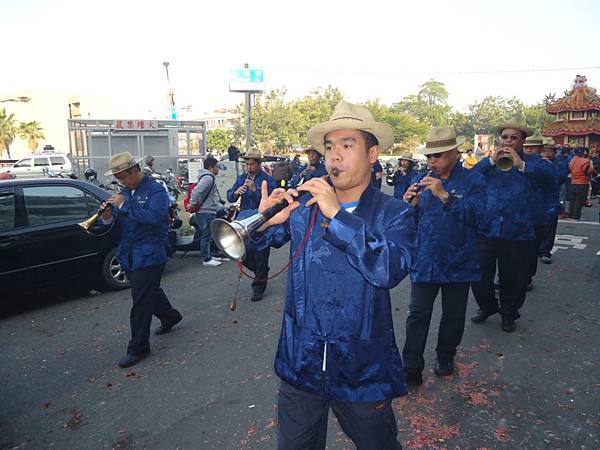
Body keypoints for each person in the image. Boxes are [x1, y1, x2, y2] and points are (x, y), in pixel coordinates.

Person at [244, 101, 414, 449]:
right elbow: (253, 251)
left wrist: (337, 215)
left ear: (372, 153)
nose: (334, 156)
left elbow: (389, 269)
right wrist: (260, 223)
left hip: (362, 368)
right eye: (329, 147)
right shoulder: (304, 209)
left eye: (347, 146)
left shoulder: (395, 213)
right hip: (300, 363)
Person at [401, 127, 485, 385]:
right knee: (417, 314)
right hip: (426, 259)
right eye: (429, 156)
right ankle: (411, 366)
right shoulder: (420, 179)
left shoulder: (474, 180)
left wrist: (444, 195)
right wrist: (408, 206)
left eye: (437, 156)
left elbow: (476, 216)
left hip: (459, 260)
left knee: (453, 314)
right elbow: (410, 222)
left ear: (455, 153)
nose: (431, 161)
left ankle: (445, 356)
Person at [470, 116, 557, 332]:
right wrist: (490, 162)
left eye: (513, 138)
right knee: (478, 275)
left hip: (518, 232)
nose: (508, 141)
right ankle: (488, 306)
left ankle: (508, 313)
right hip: (486, 229)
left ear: (522, 141)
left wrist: (521, 165)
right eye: (505, 137)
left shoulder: (535, 163)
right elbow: (469, 179)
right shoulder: (489, 163)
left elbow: (552, 181)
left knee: (513, 279)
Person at [100, 152, 182, 368]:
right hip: (129, 252)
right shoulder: (126, 191)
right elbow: (122, 219)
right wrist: (108, 216)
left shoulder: (156, 190)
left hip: (151, 252)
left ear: (135, 170)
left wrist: (124, 206)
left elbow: (155, 218)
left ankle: (138, 347)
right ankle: (170, 316)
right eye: (119, 179)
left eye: (124, 177)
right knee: (149, 291)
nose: (122, 182)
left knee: (141, 300)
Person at [226, 151, 276, 301]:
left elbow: (272, 202)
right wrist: (235, 193)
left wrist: (255, 190)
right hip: (243, 221)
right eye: (247, 164)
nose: (249, 167)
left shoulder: (267, 179)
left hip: (261, 222)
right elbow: (229, 196)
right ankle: (261, 272)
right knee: (242, 254)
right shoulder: (241, 178)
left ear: (259, 164)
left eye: (252, 164)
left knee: (261, 254)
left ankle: (258, 288)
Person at [522, 132, 551, 290]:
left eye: (531, 148)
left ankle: (527, 277)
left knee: (531, 250)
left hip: (536, 214)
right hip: (517, 215)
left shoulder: (544, 165)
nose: (528, 151)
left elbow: (554, 180)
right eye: (525, 148)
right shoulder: (513, 161)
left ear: (540, 149)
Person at [189, 156, 224, 267]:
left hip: (208, 210)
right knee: (206, 235)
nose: (218, 169)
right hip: (206, 211)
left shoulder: (208, 177)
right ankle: (207, 259)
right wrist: (193, 203)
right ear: (211, 168)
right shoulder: (208, 178)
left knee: (208, 235)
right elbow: (196, 191)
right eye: (217, 167)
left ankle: (208, 255)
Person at [539, 143, 567, 264]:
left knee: (549, 227)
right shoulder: (537, 162)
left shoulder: (559, 164)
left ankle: (545, 251)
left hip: (551, 201)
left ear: (554, 152)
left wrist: (550, 167)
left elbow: (561, 179)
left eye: (548, 151)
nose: (545, 154)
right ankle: (535, 250)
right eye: (543, 151)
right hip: (537, 200)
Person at [568, 147, 594, 220]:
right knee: (579, 201)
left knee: (572, 200)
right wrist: (590, 162)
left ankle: (570, 215)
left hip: (573, 182)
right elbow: (590, 170)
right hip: (582, 182)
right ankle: (576, 216)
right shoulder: (586, 161)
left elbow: (569, 168)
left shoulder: (572, 160)